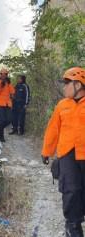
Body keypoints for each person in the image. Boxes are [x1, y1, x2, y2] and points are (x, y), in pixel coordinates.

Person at [41, 67, 85, 237]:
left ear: (78, 85)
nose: (64, 87)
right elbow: (53, 130)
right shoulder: (62, 105)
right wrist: (46, 151)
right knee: (71, 191)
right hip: (67, 154)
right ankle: (73, 226)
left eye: (67, 83)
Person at [0, 68, 15, 142]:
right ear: (0, 74)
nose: (4, 75)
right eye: (2, 74)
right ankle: (1, 135)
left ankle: (0, 128)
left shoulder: (9, 83)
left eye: (5, 74)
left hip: (8, 105)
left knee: (9, 119)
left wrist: (13, 97)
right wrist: (1, 87)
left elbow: (12, 92)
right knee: (1, 121)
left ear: (7, 75)